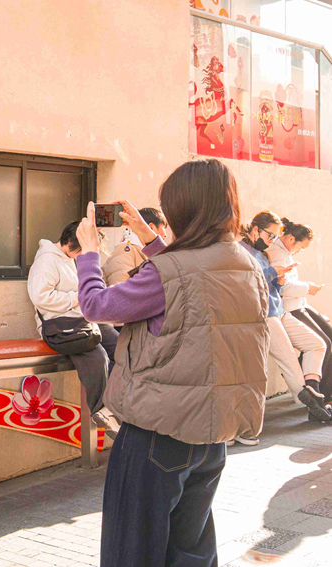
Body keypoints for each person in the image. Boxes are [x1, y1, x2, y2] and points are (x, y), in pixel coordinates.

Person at [74, 159, 268, 567]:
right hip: (213, 436)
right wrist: (151, 241)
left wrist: (89, 255)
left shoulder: (169, 272)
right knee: (191, 552)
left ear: (183, 210)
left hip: (155, 436)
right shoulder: (248, 265)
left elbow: (96, 305)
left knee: (133, 552)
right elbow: (191, 282)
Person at [27, 221, 120, 437]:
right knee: (98, 357)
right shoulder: (47, 260)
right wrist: (79, 298)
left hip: (82, 321)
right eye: (81, 249)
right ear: (69, 240)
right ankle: (103, 411)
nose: (82, 254)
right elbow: (41, 297)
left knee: (121, 347)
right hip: (60, 327)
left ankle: (118, 403)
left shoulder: (71, 259)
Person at [240, 211, 329, 433]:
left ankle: (313, 394)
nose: (272, 241)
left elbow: (271, 288)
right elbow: (245, 283)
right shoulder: (241, 251)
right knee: (288, 360)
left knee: (317, 344)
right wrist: (273, 272)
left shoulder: (262, 253)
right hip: (263, 315)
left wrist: (278, 281)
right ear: (255, 230)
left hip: (278, 311)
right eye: (271, 236)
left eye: (275, 237)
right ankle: (314, 404)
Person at [267, 218, 332, 404]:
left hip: (299, 305)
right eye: (300, 248)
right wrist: (308, 288)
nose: (299, 252)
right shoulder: (277, 254)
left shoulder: (285, 252)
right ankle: (321, 397)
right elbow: (284, 288)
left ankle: (321, 392)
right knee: (323, 343)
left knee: (327, 338)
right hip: (290, 308)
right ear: (290, 239)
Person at [102, 207, 169, 286]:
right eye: (163, 227)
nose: (166, 235)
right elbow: (122, 292)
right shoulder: (125, 250)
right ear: (151, 227)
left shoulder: (136, 250)